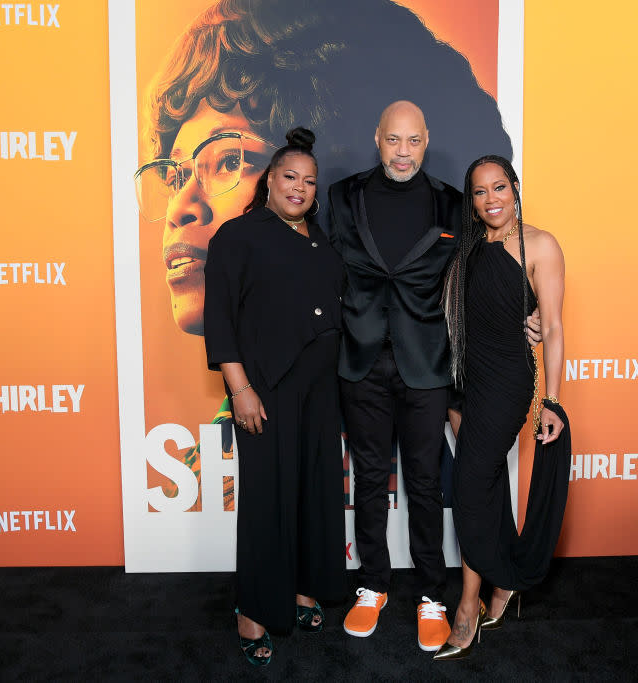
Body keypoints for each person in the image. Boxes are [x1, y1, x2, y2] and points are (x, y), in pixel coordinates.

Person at [135, 0, 514, 505]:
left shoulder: (423, 397)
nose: (183, 205)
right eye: (175, 171)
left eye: (229, 159)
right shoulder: (218, 459)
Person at [328, 103, 540, 651]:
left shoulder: (455, 204)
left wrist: (529, 309)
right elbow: (327, 272)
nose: (403, 151)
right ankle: (371, 585)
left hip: (427, 366)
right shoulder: (342, 195)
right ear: (377, 139)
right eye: (393, 140)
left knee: (425, 484)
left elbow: (487, 266)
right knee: (370, 479)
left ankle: (431, 596)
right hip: (361, 362)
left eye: (414, 141)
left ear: (426, 142)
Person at [203, 128, 347, 666]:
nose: (300, 188)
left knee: (313, 491)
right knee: (266, 499)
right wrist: (240, 388)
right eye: (290, 177)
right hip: (265, 390)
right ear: (270, 180)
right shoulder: (237, 237)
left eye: (310, 182)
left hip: (321, 390)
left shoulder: (321, 242)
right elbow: (220, 320)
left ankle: (303, 590)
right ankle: (253, 610)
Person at [433, 155, 571, 660]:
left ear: (514, 188)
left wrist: (552, 399)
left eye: (499, 188)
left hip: (508, 383)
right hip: (464, 384)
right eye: (479, 192)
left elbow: (552, 327)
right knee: (486, 485)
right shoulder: (469, 246)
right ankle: (504, 582)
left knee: (470, 487)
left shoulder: (539, 244)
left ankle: (467, 605)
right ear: (471, 200)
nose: (491, 199)